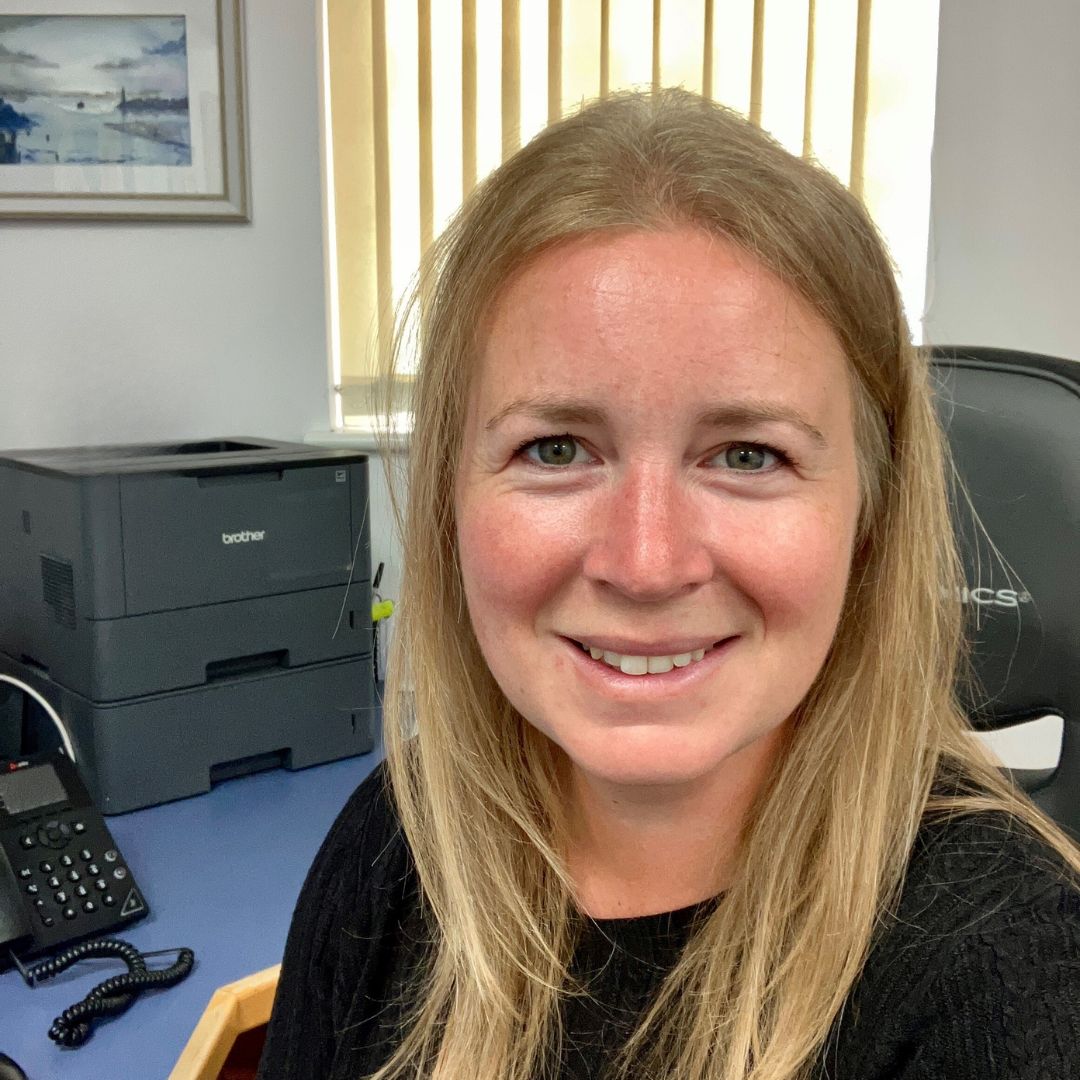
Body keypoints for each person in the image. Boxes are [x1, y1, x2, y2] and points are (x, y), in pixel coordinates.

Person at [257, 89, 1080, 1080]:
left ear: (872, 517)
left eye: (747, 455)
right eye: (556, 448)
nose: (646, 564)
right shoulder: (402, 841)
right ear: (448, 501)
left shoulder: (1007, 969)